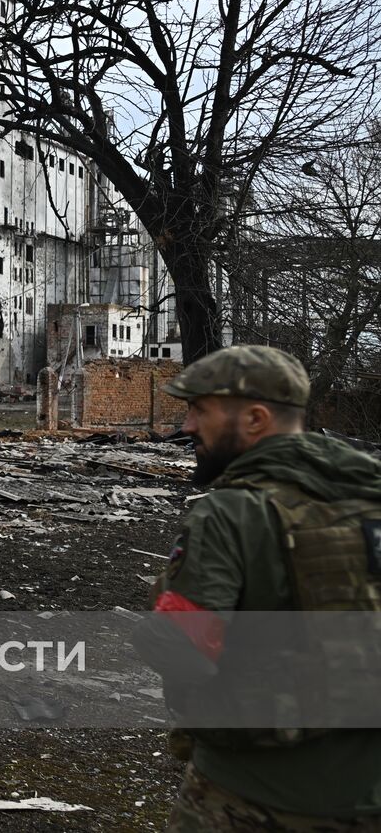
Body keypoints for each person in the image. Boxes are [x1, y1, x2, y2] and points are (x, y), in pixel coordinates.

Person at [142, 345, 381, 831]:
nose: (187, 427)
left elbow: (181, 648)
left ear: (254, 419)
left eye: (199, 410)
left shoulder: (233, 513)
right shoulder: (370, 496)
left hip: (254, 793)